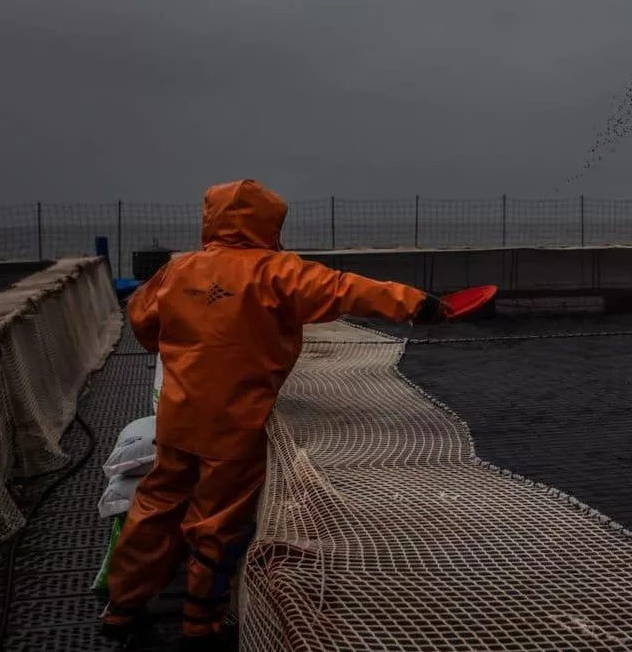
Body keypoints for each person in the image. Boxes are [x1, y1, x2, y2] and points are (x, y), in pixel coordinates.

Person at [100, 179, 448, 650]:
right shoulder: (277, 271)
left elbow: (142, 320)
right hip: (236, 425)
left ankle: (121, 610)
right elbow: (347, 290)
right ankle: (199, 626)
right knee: (216, 524)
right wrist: (417, 304)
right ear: (268, 223)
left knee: (154, 507)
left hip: (180, 418)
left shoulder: (177, 270)